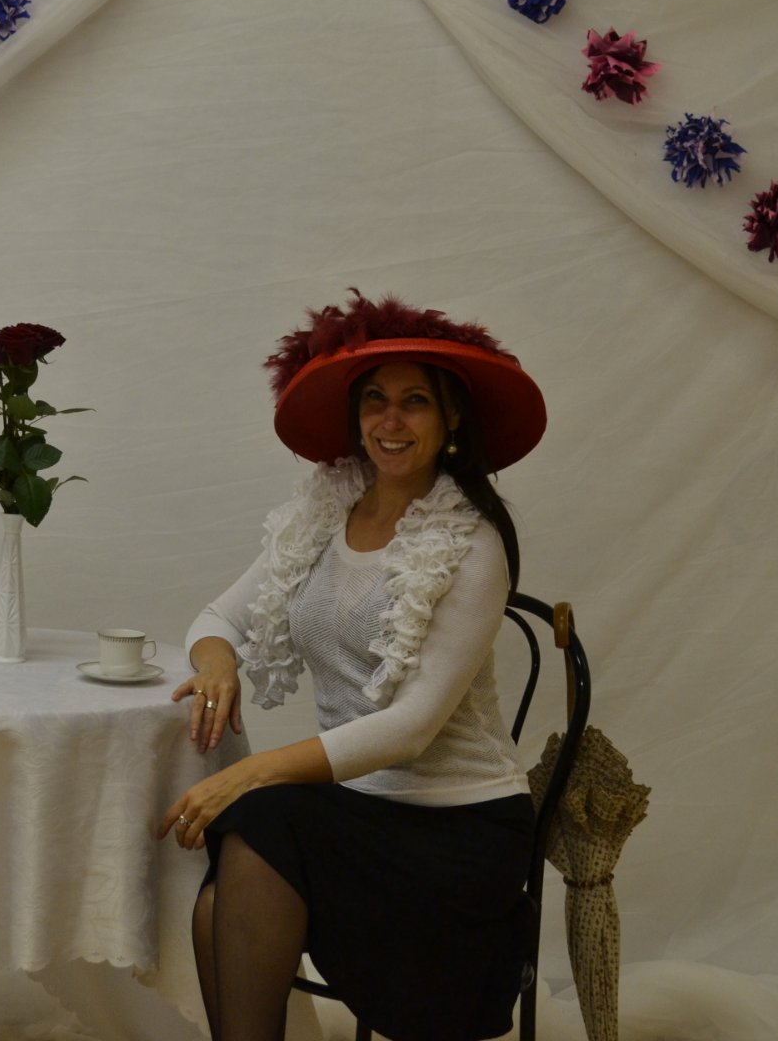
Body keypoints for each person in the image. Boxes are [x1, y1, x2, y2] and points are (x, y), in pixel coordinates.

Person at [155, 290, 548, 1041]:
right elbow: (217, 619)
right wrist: (217, 667)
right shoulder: (323, 515)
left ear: (451, 417)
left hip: (459, 827)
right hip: (353, 810)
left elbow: (410, 728)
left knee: (258, 820)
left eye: (414, 402)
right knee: (219, 901)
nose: (390, 421)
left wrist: (252, 772)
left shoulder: (473, 542)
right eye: (375, 400)